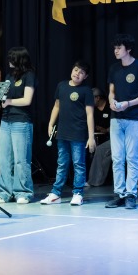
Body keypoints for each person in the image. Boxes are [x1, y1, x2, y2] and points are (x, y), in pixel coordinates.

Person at [105, 34, 138, 210]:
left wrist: (129, 104)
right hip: (117, 119)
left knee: (132, 157)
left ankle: (131, 194)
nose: (116, 51)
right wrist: (111, 101)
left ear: (128, 49)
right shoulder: (114, 68)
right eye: (114, 48)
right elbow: (111, 90)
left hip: (135, 119)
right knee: (117, 158)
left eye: (119, 48)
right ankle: (119, 193)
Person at [42, 61, 96, 205]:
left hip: (78, 133)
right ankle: (56, 193)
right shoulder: (62, 85)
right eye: (76, 70)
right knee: (62, 163)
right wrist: (50, 123)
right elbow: (56, 106)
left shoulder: (86, 90)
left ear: (85, 76)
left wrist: (91, 137)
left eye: (81, 72)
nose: (77, 73)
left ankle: (78, 193)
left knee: (78, 163)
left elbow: (90, 114)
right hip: (62, 132)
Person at [0, 47, 35, 205]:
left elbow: (27, 100)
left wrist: (9, 102)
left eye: (12, 58)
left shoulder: (29, 75)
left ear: (20, 59)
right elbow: (3, 98)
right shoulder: (8, 76)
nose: (9, 60)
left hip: (21, 121)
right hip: (5, 120)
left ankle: (23, 192)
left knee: (21, 159)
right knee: (4, 159)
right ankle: (5, 192)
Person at [86, 87, 113, 187]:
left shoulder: (111, 106)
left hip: (114, 136)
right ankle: (94, 180)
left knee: (101, 150)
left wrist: (106, 130)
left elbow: (117, 122)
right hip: (98, 138)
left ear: (97, 98)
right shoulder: (92, 110)